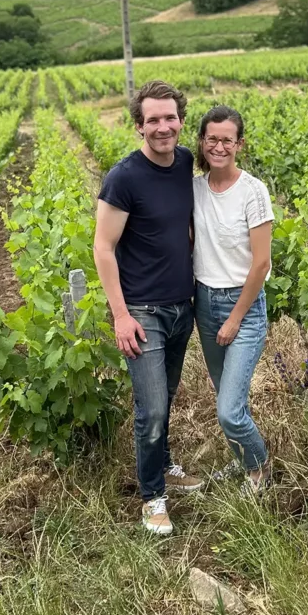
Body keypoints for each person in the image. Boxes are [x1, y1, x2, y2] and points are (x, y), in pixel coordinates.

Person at [93, 80, 203, 535]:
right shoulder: (123, 178)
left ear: (180, 121)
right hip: (141, 312)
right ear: (139, 126)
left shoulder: (184, 163)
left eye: (170, 117)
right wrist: (120, 314)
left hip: (182, 306)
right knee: (151, 407)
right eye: (153, 119)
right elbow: (103, 248)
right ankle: (152, 497)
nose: (163, 127)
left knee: (167, 397)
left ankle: (166, 465)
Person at [193, 105, 273, 495]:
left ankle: (259, 469)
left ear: (239, 143)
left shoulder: (253, 191)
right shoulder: (194, 188)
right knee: (226, 394)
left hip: (243, 307)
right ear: (202, 142)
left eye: (227, 139)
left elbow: (261, 264)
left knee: (228, 411)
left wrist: (235, 318)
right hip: (204, 303)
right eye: (212, 138)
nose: (219, 146)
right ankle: (243, 461)